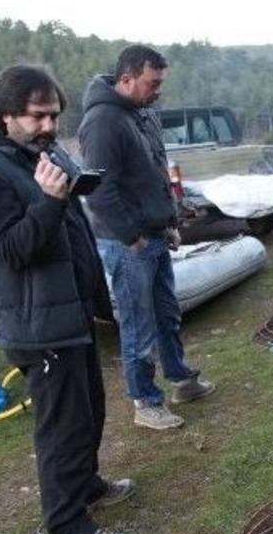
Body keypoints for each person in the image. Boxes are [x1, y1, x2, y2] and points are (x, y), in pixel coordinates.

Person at [0, 65, 131, 534]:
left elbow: (67, 226)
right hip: (34, 322)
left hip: (69, 309)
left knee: (88, 408)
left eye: (54, 116)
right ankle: (67, 528)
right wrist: (51, 201)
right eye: (38, 116)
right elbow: (10, 251)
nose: (49, 126)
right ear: (6, 115)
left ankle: (86, 484)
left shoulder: (37, 153)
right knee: (62, 426)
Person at [79, 45, 215, 430]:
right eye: (152, 83)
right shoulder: (102, 122)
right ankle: (146, 402)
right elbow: (99, 191)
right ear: (126, 79)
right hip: (127, 243)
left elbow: (156, 172)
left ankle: (181, 380)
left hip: (154, 233)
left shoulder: (142, 114)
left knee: (167, 314)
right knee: (137, 325)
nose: (158, 91)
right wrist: (132, 237)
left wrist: (169, 221)